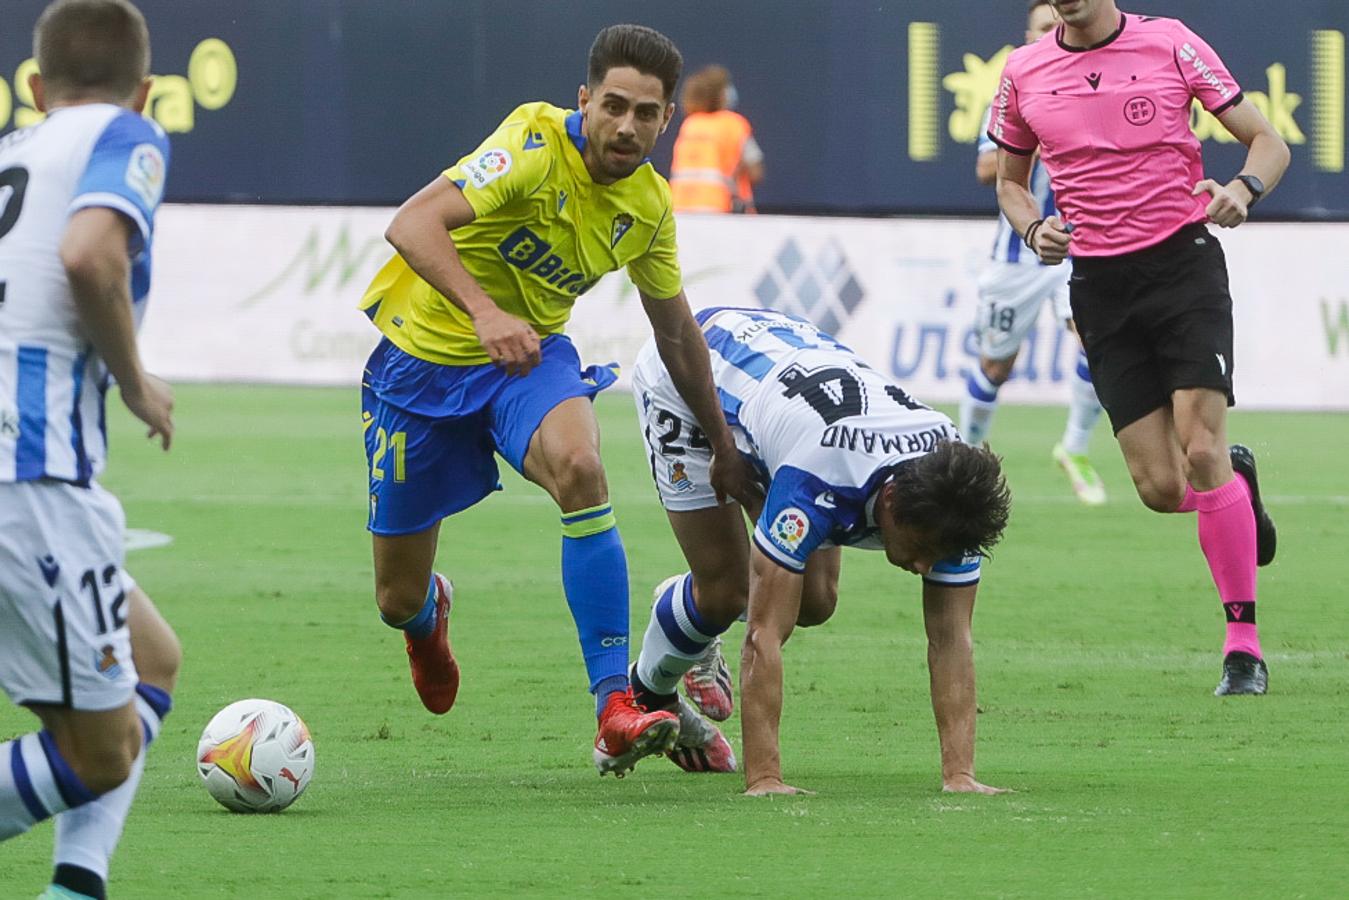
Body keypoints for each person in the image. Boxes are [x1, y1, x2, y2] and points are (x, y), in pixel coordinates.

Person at [357, 24, 755, 777]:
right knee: (393, 594)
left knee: (581, 467)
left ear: (667, 118)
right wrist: (484, 312)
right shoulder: (533, 146)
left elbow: (676, 333)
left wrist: (724, 449)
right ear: (584, 101)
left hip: (528, 363)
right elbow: (411, 224)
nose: (626, 126)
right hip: (420, 367)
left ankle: (616, 706)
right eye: (613, 106)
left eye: (645, 113)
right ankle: (425, 618)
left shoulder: (647, 206)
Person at [988, 0, 1290, 694]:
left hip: (1183, 265)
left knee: (1201, 446)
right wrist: (1034, 231)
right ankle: (1235, 492)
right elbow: (1010, 182)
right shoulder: (1023, 70)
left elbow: (1266, 143)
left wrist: (1242, 190)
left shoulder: (1170, 44)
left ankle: (1241, 646)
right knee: (1160, 488)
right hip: (1098, 285)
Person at [629, 307, 1011, 794]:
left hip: (797, 392)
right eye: (920, 550)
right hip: (691, 372)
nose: (923, 567)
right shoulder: (818, 479)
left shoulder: (955, 490)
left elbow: (951, 639)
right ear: (890, 501)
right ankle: (662, 662)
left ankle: (695, 607)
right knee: (727, 590)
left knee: (814, 604)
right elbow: (764, 637)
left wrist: (960, 776)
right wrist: (765, 779)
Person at [0, 1, 181, 898]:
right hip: (26, 472)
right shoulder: (127, 135)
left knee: (154, 660)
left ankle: (76, 886)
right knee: (100, 754)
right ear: (146, 92)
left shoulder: (8, 153)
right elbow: (89, 257)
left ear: (33, 88)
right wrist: (138, 381)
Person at [963, 0, 1107, 506]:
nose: (1054, 32)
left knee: (1095, 341)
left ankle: (1074, 447)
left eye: (1059, 25)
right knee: (995, 366)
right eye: (1043, 27)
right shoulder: (1013, 92)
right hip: (1018, 254)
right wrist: (1047, 133)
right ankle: (968, 454)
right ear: (1028, 35)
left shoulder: (1094, 86)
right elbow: (987, 171)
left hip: (1079, 250)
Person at [669, 65, 764, 214]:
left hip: (680, 209)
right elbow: (756, 172)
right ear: (720, 94)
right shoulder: (734, 124)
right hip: (721, 210)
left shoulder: (689, 125)